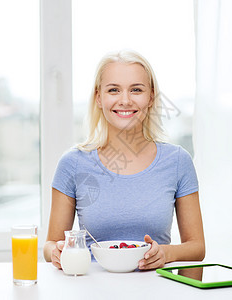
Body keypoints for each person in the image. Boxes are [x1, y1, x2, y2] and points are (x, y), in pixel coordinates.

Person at [43, 50, 205, 270]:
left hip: (157, 289)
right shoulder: (73, 163)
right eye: (114, 90)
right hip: (91, 289)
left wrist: (166, 253)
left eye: (136, 90)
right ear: (99, 98)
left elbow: (197, 247)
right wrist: (57, 251)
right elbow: (50, 245)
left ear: (151, 97)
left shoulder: (177, 161)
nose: (125, 100)